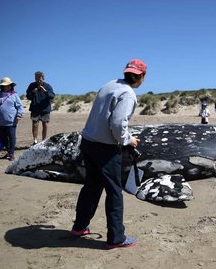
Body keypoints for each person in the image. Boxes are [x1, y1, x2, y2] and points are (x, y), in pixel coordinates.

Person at [71, 59, 146, 249]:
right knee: (114, 191)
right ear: (142, 77)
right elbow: (118, 124)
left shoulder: (109, 85)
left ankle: (79, 227)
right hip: (105, 148)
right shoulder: (128, 94)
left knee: (91, 187)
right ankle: (116, 238)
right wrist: (128, 140)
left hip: (88, 142)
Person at [0, 77, 23, 160]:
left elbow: (20, 106)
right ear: (2, 86)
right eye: (6, 85)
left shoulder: (14, 95)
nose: (8, 86)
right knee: (3, 137)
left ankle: (11, 153)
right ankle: (8, 151)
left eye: (9, 85)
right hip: (0, 120)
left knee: (12, 136)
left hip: (12, 120)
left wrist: (19, 115)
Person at [26, 71, 55, 144]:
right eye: (37, 79)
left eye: (40, 79)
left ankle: (43, 141)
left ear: (43, 79)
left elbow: (52, 96)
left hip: (45, 109)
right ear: (35, 78)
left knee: (45, 125)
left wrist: (45, 91)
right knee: (35, 124)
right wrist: (33, 92)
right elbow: (28, 96)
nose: (38, 80)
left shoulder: (48, 86)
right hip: (35, 108)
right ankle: (35, 141)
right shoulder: (32, 85)